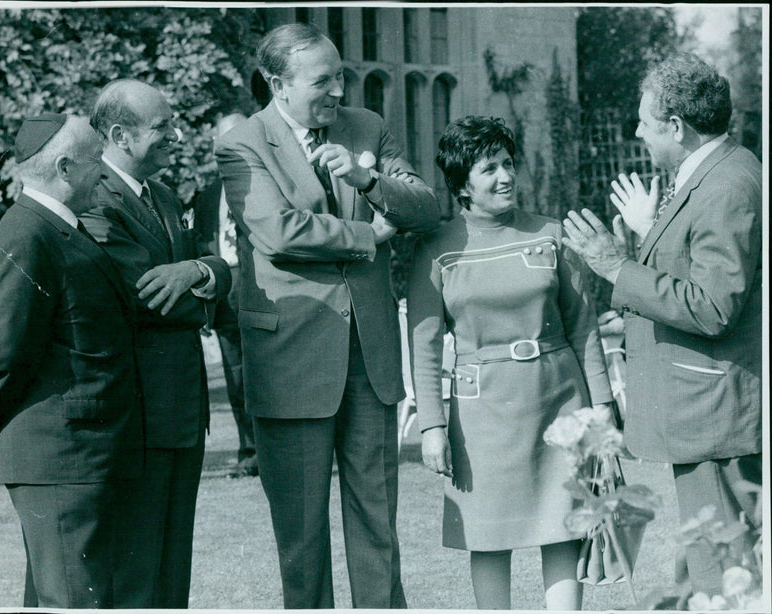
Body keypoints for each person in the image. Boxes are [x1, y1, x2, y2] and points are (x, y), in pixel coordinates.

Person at [215, 23, 440, 609]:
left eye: (340, 74)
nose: (338, 89)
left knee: (378, 530)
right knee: (302, 539)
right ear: (276, 83)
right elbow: (277, 231)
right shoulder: (241, 143)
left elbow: (424, 206)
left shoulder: (367, 127)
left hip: (370, 360)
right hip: (290, 361)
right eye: (323, 80)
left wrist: (365, 176)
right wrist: (368, 233)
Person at [562, 53, 762, 596]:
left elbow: (714, 306)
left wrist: (613, 265)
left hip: (715, 414)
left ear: (676, 126)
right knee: (708, 564)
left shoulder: (726, 187)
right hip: (704, 411)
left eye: (644, 122)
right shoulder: (718, 173)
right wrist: (649, 231)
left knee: (725, 572)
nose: (636, 132)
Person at [408, 116, 614, 610]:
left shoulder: (551, 234)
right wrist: (432, 426)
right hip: (482, 414)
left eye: (508, 164)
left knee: (565, 523)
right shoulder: (438, 250)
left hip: (561, 403)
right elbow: (425, 343)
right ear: (461, 185)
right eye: (489, 168)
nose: (505, 177)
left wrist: (602, 406)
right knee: (487, 535)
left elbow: (583, 325)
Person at [0, 114, 143, 608]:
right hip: (60, 456)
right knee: (71, 600)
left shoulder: (53, 226)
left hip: (78, 454)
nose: (106, 172)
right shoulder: (27, 233)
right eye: (97, 161)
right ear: (67, 168)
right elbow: (8, 353)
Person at [80, 79, 231, 608]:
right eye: (163, 126)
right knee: (138, 573)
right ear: (120, 135)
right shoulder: (95, 197)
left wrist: (200, 268)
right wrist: (211, 283)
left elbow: (213, 266)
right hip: (136, 419)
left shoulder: (163, 195)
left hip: (180, 414)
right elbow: (146, 298)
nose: (177, 135)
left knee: (173, 573)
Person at [194, 109, 257, 477]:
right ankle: (249, 451)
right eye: (222, 140)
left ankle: (277, 452)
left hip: (263, 293)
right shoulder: (206, 195)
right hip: (224, 292)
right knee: (235, 378)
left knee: (267, 375)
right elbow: (202, 247)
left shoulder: (265, 186)